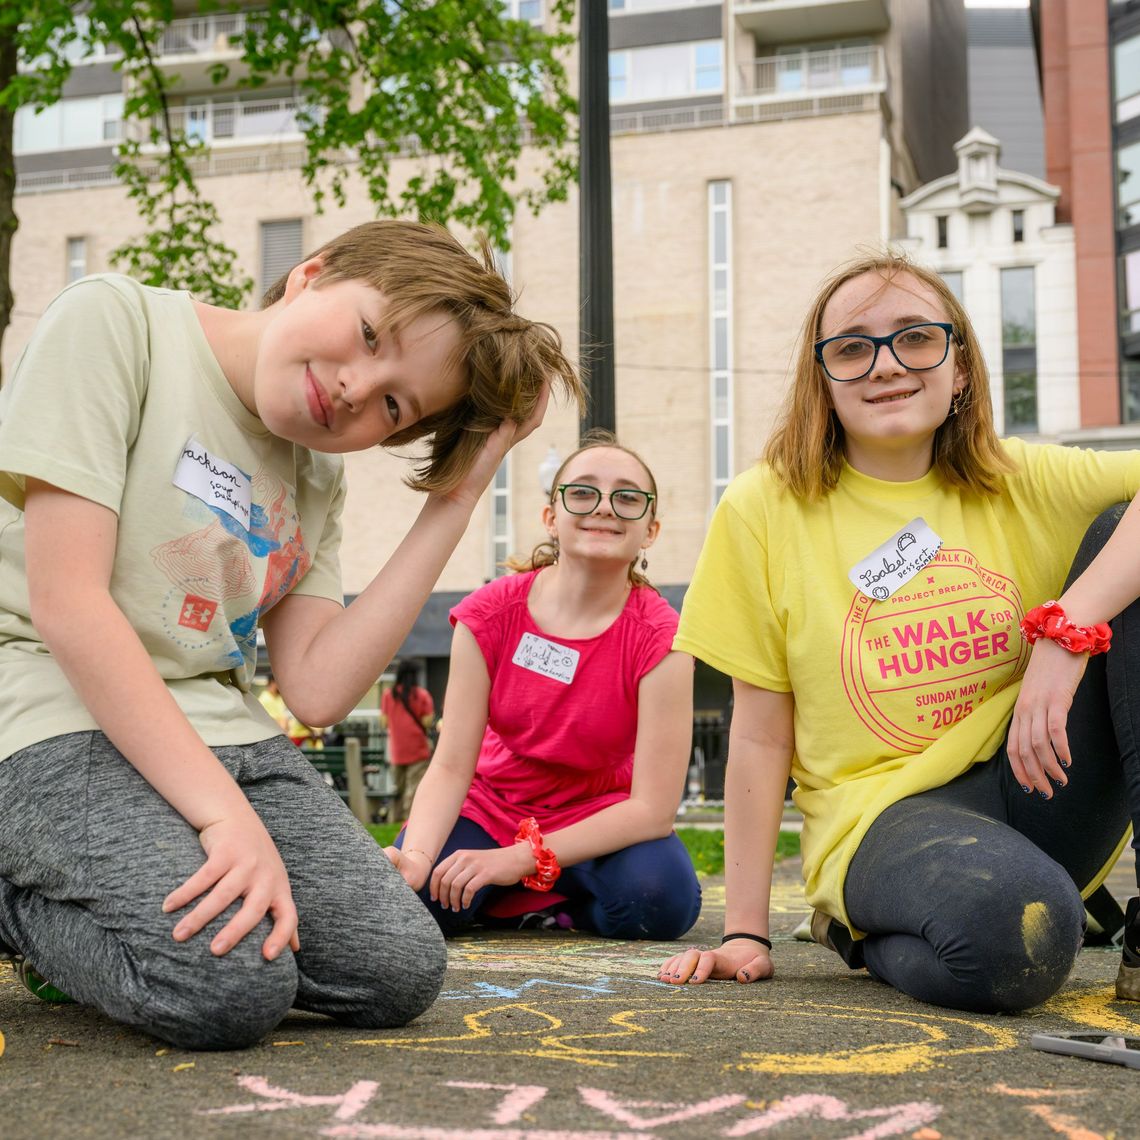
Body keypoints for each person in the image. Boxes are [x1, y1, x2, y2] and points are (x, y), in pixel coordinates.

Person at [0, 220, 581, 1049]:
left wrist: (457, 497)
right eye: (368, 335)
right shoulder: (117, 323)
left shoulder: (316, 474)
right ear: (310, 274)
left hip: (217, 728)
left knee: (395, 968)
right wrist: (223, 818)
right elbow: (68, 604)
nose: (356, 388)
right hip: (46, 705)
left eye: (393, 404)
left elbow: (315, 687)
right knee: (225, 987)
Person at [658, 251, 1140, 1013]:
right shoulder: (762, 508)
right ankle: (863, 926)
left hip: (1042, 772)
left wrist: (1064, 630)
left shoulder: (1021, 478)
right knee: (1020, 940)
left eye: (915, 337)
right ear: (823, 382)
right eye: (851, 347)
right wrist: (745, 931)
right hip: (888, 816)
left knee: (1128, 543)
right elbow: (757, 734)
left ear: (960, 369)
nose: (885, 364)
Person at [386, 434, 701, 939]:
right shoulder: (487, 615)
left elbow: (652, 810)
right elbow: (449, 765)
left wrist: (519, 858)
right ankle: (513, 897)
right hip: (491, 805)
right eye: (582, 492)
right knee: (416, 902)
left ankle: (555, 902)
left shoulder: (665, 639)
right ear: (551, 517)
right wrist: (419, 856)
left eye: (626, 497)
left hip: (599, 814)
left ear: (650, 530)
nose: (603, 508)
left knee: (659, 902)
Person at [380, 660, 436, 822]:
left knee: (398, 789)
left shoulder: (388, 695)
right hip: (418, 749)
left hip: (397, 751)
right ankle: (409, 822)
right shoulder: (421, 695)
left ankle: (394, 819)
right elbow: (427, 722)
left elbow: (384, 722)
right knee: (414, 789)